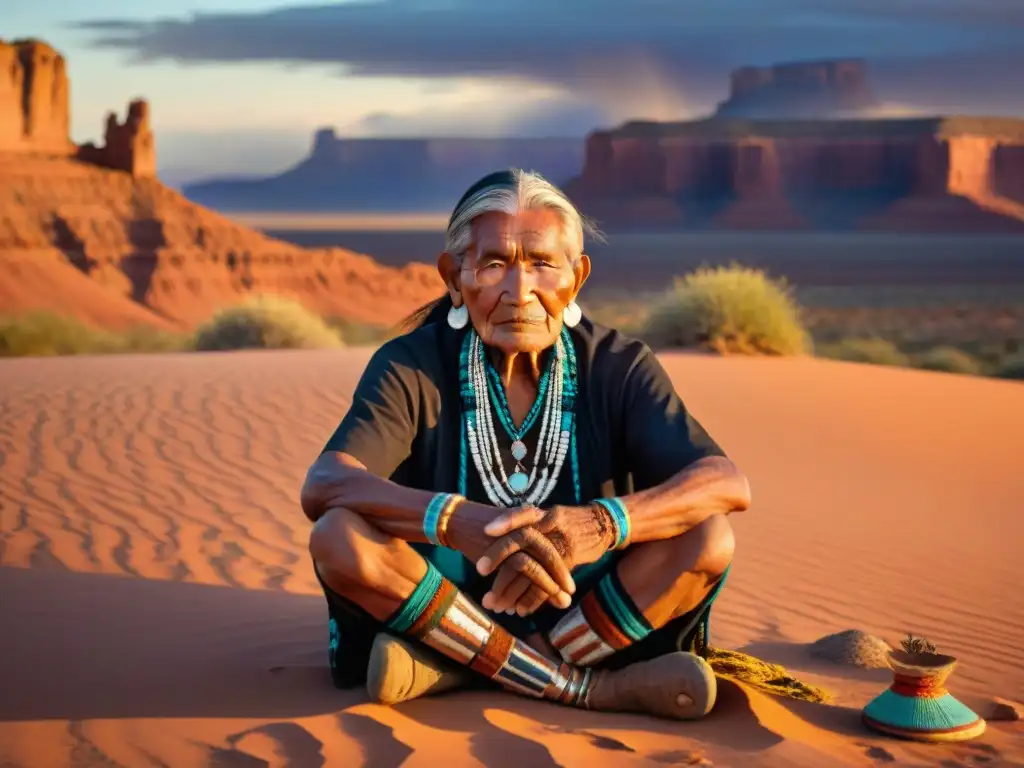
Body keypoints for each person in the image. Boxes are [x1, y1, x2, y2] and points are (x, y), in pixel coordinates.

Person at [300, 168, 752, 720]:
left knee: (709, 538)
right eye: (493, 265)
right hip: (452, 589)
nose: (520, 293)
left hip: (583, 594)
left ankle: (458, 666)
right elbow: (325, 484)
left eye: (543, 264)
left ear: (577, 277)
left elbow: (725, 482)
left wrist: (601, 526)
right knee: (338, 537)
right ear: (453, 276)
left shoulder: (618, 365)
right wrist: (455, 521)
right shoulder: (410, 364)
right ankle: (589, 688)